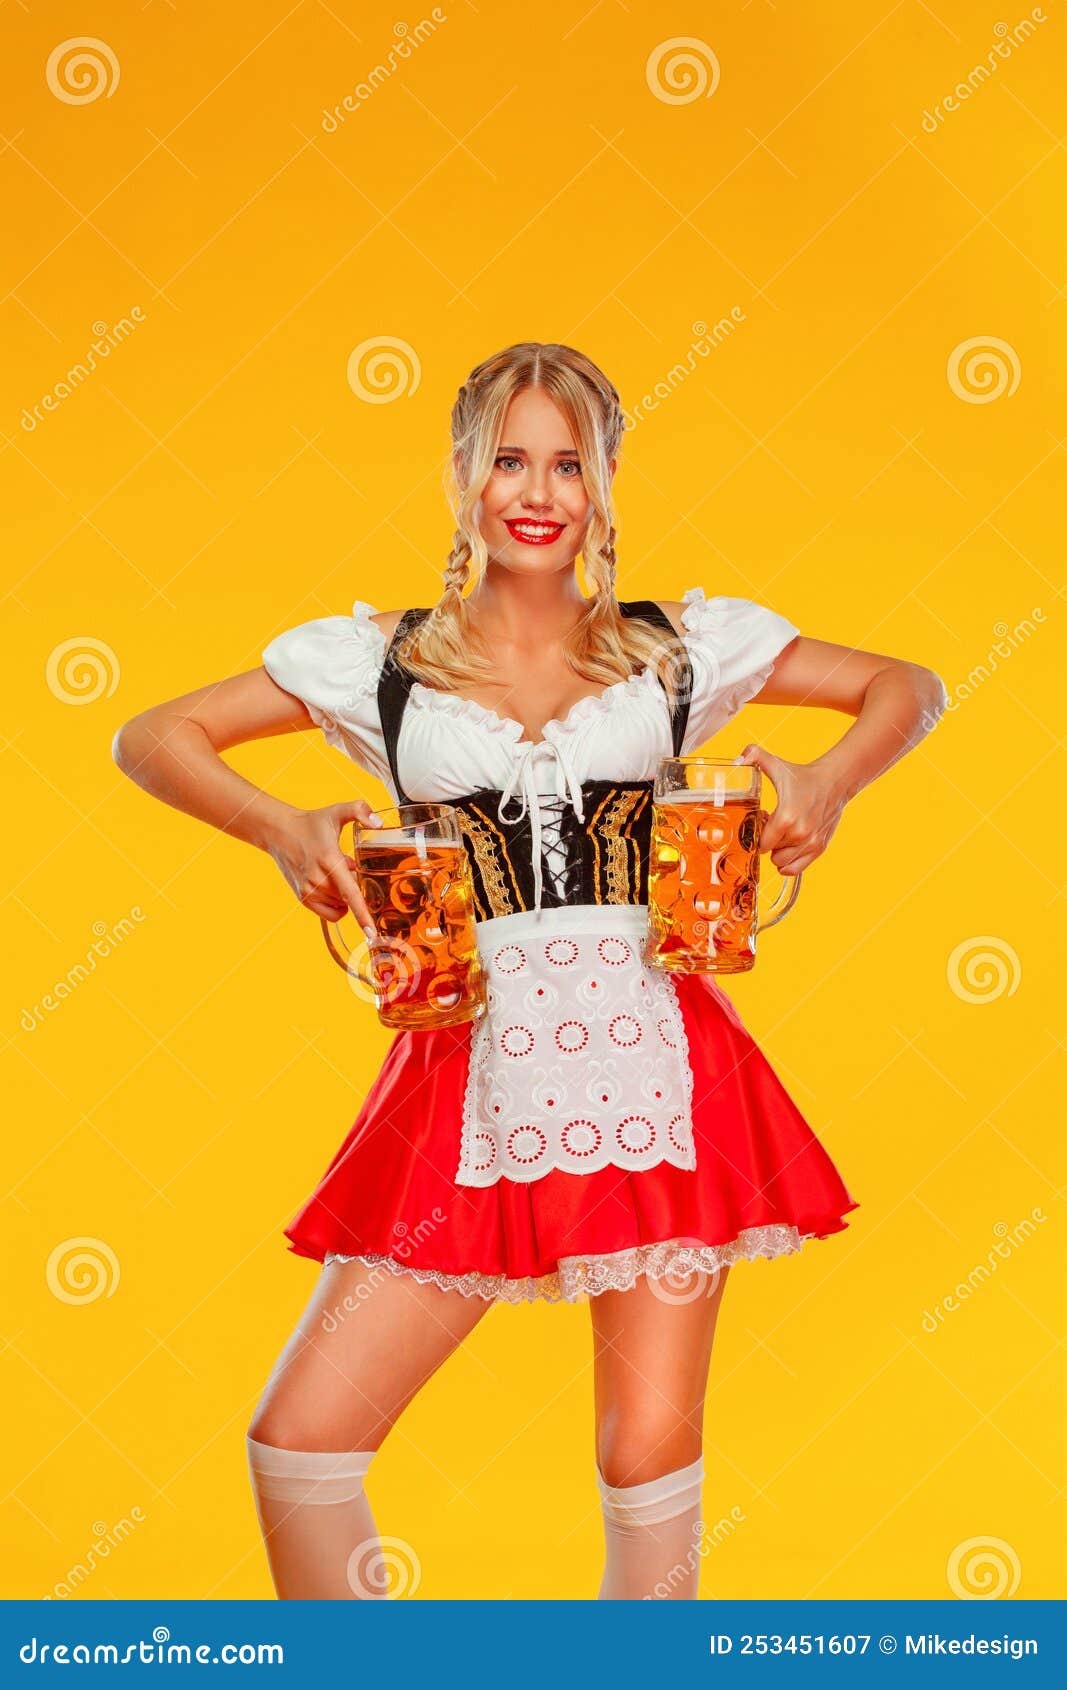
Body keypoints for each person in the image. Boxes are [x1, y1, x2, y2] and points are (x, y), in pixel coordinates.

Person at [113, 341, 947, 1601]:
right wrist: (279, 825)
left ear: (607, 478)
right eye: (508, 458)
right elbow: (151, 735)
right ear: (460, 475)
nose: (537, 489)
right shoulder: (376, 665)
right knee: (301, 1440)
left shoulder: (675, 651)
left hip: (661, 1064)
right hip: (465, 1070)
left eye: (569, 460)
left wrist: (828, 779)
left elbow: (908, 684)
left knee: (644, 1444)